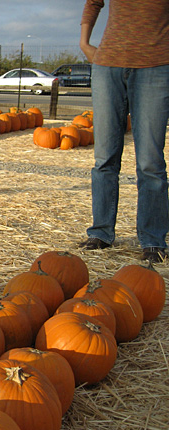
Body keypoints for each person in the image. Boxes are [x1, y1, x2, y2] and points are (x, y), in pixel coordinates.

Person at [78, 0, 169, 262]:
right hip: (108, 66)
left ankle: (153, 239)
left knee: (151, 162)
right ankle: (101, 232)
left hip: (156, 66)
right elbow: (93, 2)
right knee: (105, 157)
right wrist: (84, 44)